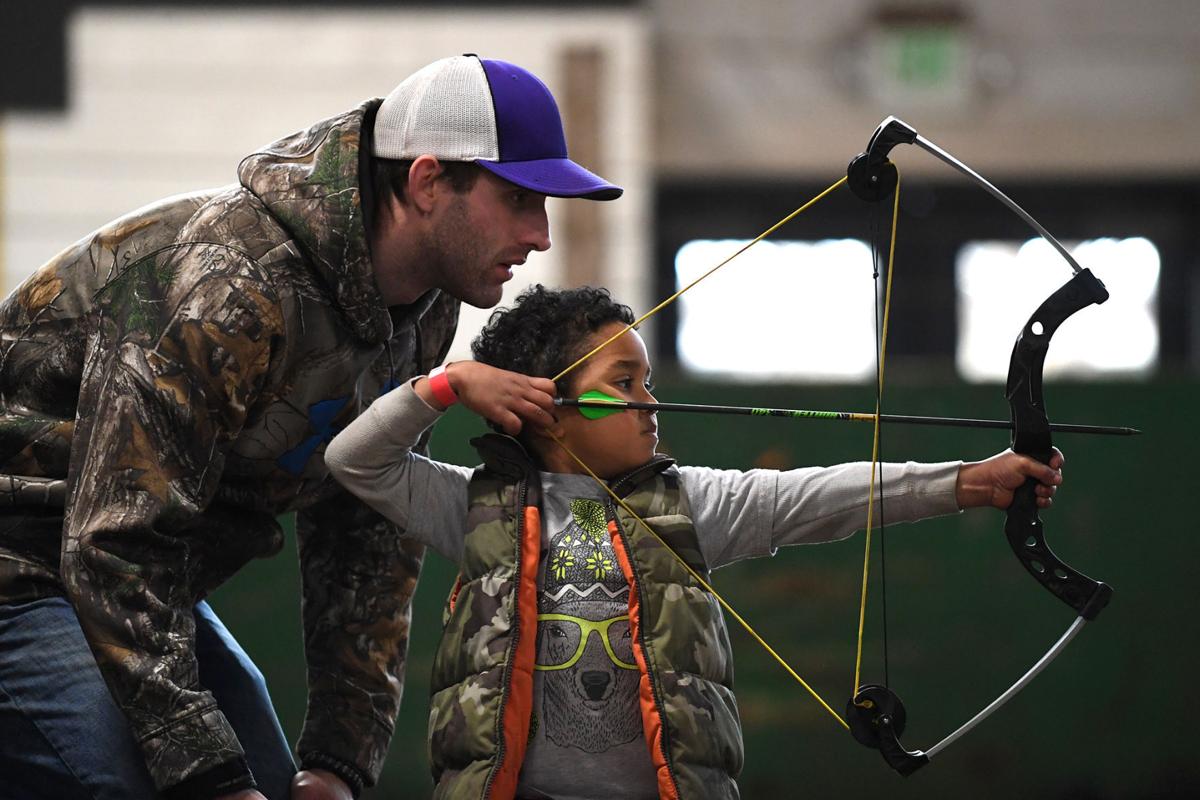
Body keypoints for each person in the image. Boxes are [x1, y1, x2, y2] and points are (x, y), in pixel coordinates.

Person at [0, 55, 621, 800]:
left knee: (267, 781)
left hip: (136, 581)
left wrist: (337, 762)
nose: (542, 234)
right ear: (426, 182)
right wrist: (209, 778)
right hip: (25, 571)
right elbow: (115, 542)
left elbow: (369, 528)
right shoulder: (228, 283)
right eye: (520, 197)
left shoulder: (424, 307)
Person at [323, 284, 1065, 800]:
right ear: (546, 404)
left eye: (646, 380)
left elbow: (827, 495)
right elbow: (354, 459)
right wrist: (448, 387)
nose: (651, 401)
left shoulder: (688, 504)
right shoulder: (477, 507)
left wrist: (974, 479)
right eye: (625, 381)